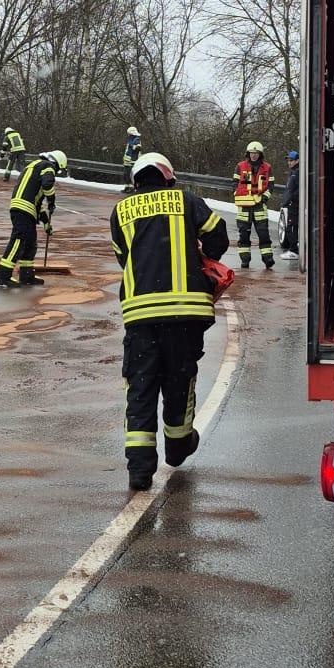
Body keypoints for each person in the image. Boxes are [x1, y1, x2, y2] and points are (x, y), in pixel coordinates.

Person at [110, 151, 230, 490]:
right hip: (186, 314)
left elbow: (124, 258)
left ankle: (139, 470)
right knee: (180, 380)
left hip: (140, 315)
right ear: (168, 178)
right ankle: (177, 447)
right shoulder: (187, 201)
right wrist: (200, 257)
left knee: (140, 388)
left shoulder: (121, 211)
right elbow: (218, 237)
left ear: (136, 181)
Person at [0, 148, 66, 286]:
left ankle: (26, 275)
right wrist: (51, 201)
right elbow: (48, 185)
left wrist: (46, 223)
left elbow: (37, 203)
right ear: (57, 163)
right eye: (58, 170)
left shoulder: (34, 166)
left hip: (25, 208)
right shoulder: (48, 166)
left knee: (30, 242)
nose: (56, 172)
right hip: (24, 208)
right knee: (18, 241)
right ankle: (3, 275)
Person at [233, 139, 275, 271]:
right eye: (251, 153)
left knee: (264, 234)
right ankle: (245, 260)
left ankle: (268, 260)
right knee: (244, 235)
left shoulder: (267, 168)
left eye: (256, 153)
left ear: (260, 154)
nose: (254, 155)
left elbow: (271, 186)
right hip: (244, 206)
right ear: (248, 153)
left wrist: (264, 198)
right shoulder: (240, 166)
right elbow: (234, 183)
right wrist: (237, 194)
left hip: (259, 205)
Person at [281, 148, 300, 257]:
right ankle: (294, 249)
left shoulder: (297, 173)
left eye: (291, 160)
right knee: (292, 227)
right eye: (288, 160)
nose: (289, 162)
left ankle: (294, 251)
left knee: (291, 227)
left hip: (295, 205)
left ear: (297, 160)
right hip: (292, 204)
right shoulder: (293, 172)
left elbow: (298, 189)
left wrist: (291, 199)